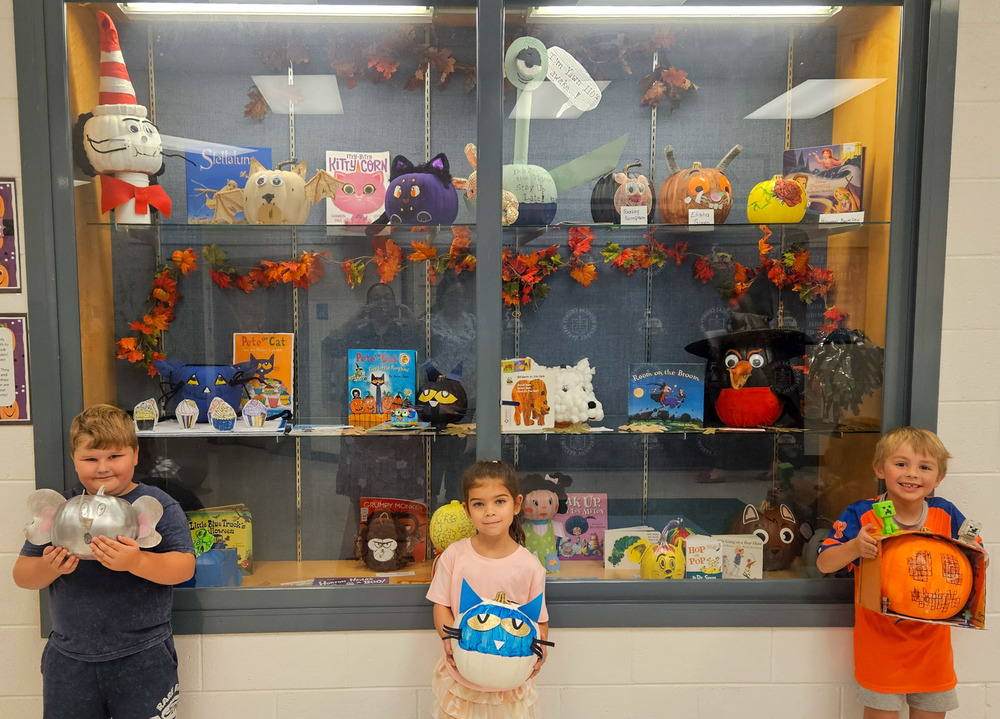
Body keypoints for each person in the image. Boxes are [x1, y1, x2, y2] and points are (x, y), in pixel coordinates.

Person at [13, 404, 196, 719]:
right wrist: (49, 567)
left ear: (135, 455)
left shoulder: (156, 505)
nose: (102, 468)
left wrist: (136, 562)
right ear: (74, 460)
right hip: (69, 661)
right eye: (90, 459)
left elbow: (183, 567)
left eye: (114, 456)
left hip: (144, 656)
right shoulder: (62, 511)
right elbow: (23, 575)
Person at [816, 426, 980, 719]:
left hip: (933, 650)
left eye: (925, 467)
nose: (912, 474)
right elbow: (824, 563)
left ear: (938, 478)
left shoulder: (947, 514)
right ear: (880, 469)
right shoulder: (862, 514)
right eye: (901, 463)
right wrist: (855, 547)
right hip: (880, 648)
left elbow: (978, 561)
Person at [426, 460, 550, 718]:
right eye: (479, 504)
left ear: (517, 504)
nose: (489, 511)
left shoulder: (530, 566)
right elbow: (442, 605)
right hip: (460, 678)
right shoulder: (454, 556)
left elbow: (538, 619)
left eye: (499, 501)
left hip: (510, 682)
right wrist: (448, 638)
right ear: (467, 510)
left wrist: (539, 648)